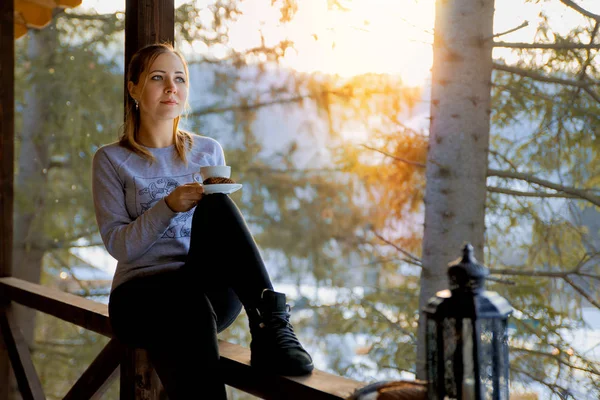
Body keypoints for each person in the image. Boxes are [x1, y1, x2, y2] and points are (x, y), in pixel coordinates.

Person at [91, 42, 313, 399]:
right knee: (183, 299)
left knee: (218, 206)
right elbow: (120, 245)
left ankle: (271, 324)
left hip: (204, 292)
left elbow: (220, 236)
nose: (171, 88)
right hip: (140, 299)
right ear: (133, 88)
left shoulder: (207, 151)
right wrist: (169, 205)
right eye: (157, 78)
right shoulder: (112, 160)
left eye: (179, 79)